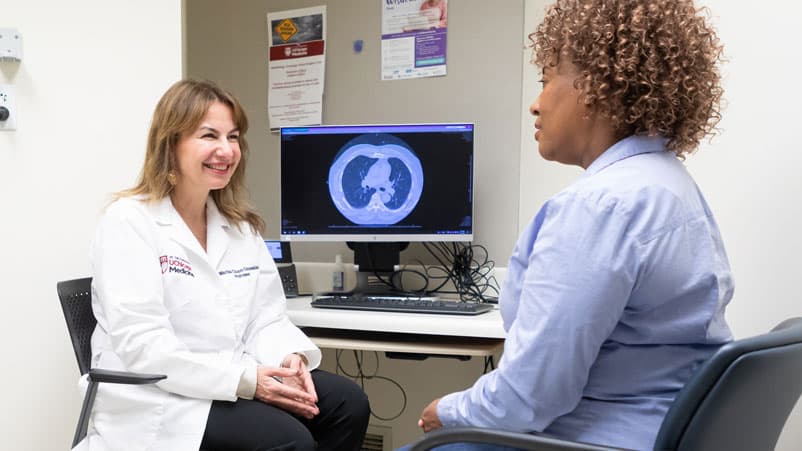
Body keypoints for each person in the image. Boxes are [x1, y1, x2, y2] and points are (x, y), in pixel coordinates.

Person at [400, 0, 732, 450]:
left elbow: (526, 397)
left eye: (546, 79)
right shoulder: (670, 184)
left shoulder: (598, 206)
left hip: (589, 440)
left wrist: (446, 410)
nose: (535, 105)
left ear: (599, 87)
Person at [86, 79, 370, 451]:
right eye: (209, 135)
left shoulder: (237, 227)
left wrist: (289, 357)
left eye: (233, 137)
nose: (225, 150)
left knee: (348, 405)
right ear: (171, 143)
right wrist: (248, 380)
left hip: (231, 376)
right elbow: (144, 347)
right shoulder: (129, 222)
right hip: (159, 396)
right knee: (291, 440)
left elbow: (264, 318)